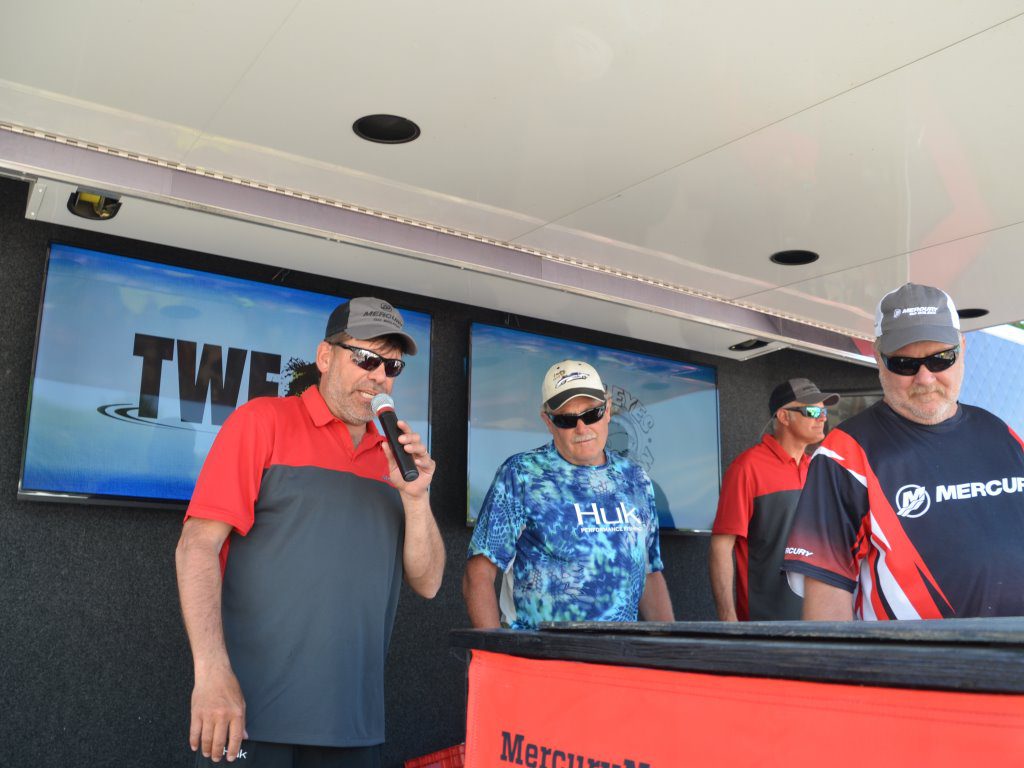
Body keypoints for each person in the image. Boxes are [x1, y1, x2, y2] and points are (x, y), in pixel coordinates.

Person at [175, 297, 445, 767]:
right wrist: (211, 673)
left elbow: (429, 582)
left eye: (392, 366)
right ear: (325, 357)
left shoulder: (396, 459)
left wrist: (417, 498)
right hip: (250, 716)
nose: (379, 376)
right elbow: (196, 547)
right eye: (366, 358)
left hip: (354, 726)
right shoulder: (262, 421)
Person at [783, 283, 1024, 620]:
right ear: (879, 359)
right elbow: (826, 600)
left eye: (941, 359)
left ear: (963, 348)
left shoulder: (1001, 433)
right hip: (912, 655)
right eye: (904, 364)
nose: (925, 378)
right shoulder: (844, 454)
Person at [462, 360, 674, 629]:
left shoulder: (636, 479)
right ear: (548, 422)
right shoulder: (521, 474)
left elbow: (650, 574)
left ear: (608, 410)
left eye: (592, 414)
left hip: (619, 651)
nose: (582, 428)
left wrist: (671, 646)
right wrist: (492, 650)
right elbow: (478, 574)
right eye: (566, 419)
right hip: (537, 652)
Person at [709, 378, 839, 621]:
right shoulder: (747, 468)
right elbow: (722, 546)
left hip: (817, 621)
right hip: (763, 623)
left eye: (824, 412)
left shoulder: (818, 469)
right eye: (812, 411)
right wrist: (728, 620)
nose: (822, 418)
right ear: (783, 416)